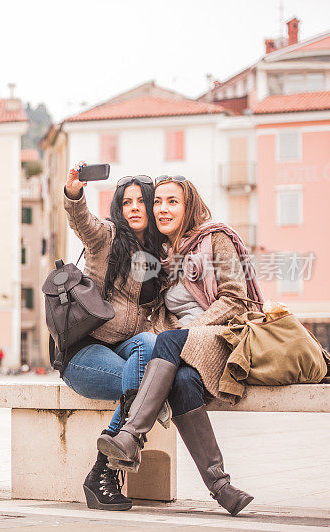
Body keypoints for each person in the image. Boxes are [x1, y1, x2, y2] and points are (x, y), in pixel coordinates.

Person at [97, 175, 263, 516]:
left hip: (222, 337)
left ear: (189, 206)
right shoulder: (164, 257)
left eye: (172, 201)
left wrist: (194, 330)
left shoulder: (217, 239)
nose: (162, 208)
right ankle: (221, 487)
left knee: (167, 341)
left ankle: (130, 435)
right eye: (157, 201)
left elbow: (236, 298)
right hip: (185, 352)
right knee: (182, 382)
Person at [62, 162, 166, 511]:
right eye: (126, 202)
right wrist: (75, 191)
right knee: (149, 387)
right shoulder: (105, 238)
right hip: (84, 351)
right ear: (119, 209)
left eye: (141, 201)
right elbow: (82, 222)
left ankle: (103, 466)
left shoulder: (158, 256)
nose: (134, 207)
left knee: (152, 345)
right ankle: (105, 469)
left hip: (129, 347)